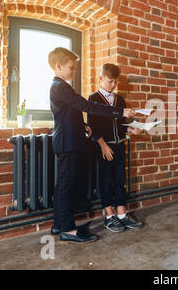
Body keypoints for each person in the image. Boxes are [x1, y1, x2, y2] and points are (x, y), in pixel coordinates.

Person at [49, 47, 135, 243]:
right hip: (67, 143)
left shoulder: (60, 86)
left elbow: (69, 114)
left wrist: (84, 125)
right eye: (71, 67)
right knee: (65, 186)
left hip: (68, 141)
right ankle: (68, 231)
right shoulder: (60, 86)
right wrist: (119, 112)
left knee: (64, 184)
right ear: (58, 66)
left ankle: (59, 225)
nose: (73, 71)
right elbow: (87, 106)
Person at [87, 63, 143, 233]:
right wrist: (103, 146)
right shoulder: (93, 99)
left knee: (120, 180)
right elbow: (92, 127)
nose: (113, 85)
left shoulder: (120, 100)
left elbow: (120, 125)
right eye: (110, 81)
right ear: (101, 79)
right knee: (106, 181)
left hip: (119, 146)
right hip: (104, 148)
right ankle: (109, 216)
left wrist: (130, 129)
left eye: (115, 82)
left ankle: (121, 214)